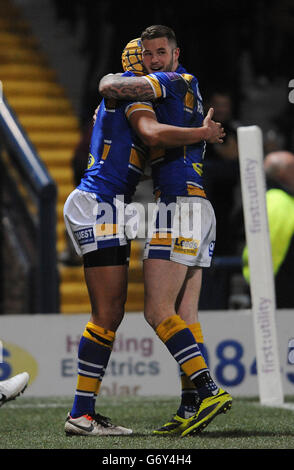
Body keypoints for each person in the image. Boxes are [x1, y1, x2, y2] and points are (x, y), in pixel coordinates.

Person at [63, 31, 224, 436]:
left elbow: (147, 130)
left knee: (135, 312)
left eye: (159, 53)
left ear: (173, 55)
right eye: (144, 56)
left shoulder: (164, 88)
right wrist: (202, 134)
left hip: (144, 205)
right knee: (117, 312)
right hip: (104, 203)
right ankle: (84, 414)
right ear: (133, 66)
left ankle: (194, 399)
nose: (151, 61)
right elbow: (148, 130)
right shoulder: (137, 94)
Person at [243, 150, 294, 308]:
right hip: (278, 285)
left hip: (268, 283)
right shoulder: (278, 201)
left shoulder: (268, 198)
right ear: (282, 173)